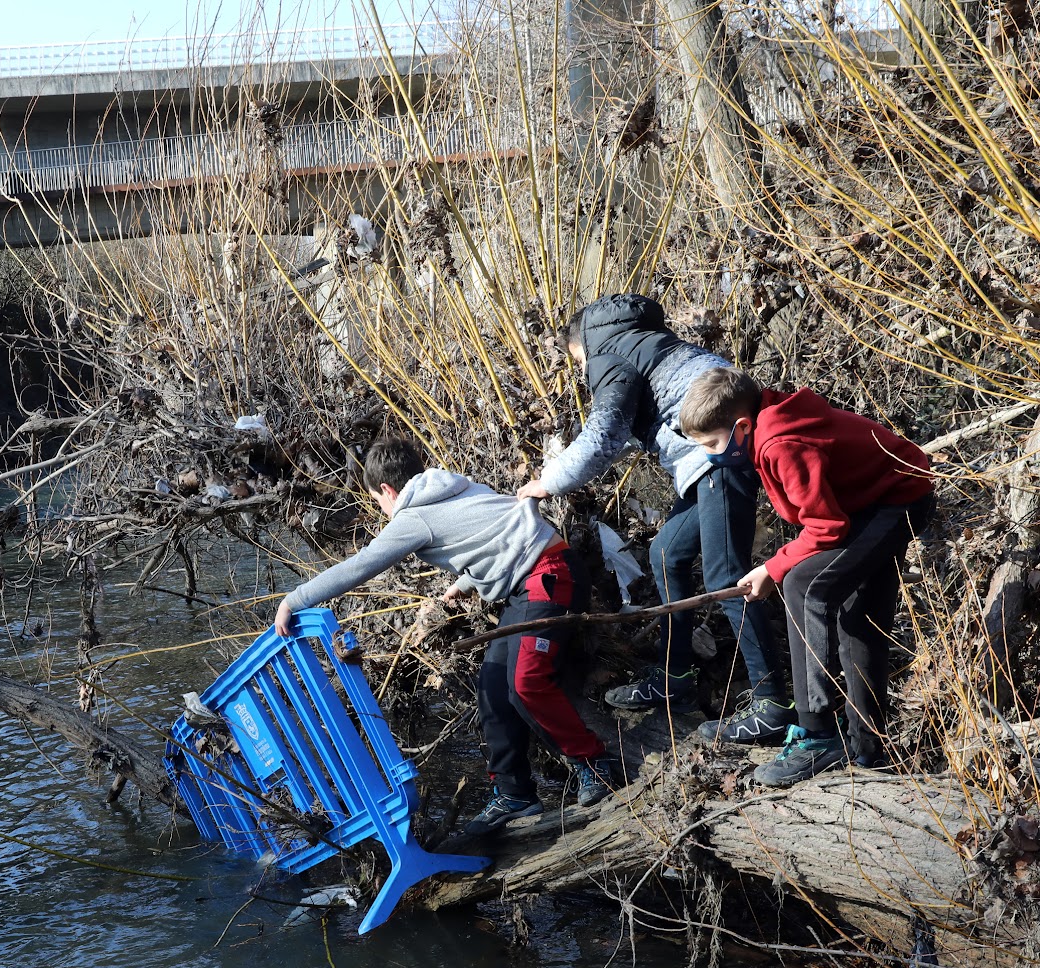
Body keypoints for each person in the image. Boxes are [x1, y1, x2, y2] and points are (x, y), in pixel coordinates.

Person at [272, 436, 622, 834]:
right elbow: (496, 530)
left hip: (549, 576)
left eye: (378, 502)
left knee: (527, 681)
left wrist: (295, 600)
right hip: (533, 580)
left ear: (388, 490)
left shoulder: (411, 516)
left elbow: (363, 564)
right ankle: (515, 794)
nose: (383, 511)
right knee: (492, 686)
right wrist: (468, 580)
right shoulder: (454, 484)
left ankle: (596, 765)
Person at [517, 294, 793, 740]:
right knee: (666, 553)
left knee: (728, 577)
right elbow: (632, 428)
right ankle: (675, 679)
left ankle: (773, 704)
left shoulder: (608, 354)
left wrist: (547, 482)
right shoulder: (642, 342)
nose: (580, 370)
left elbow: (604, 433)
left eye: (576, 361)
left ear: (579, 343)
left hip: (719, 455)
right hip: (709, 458)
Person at [679, 367, 934, 786]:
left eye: (711, 444)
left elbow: (826, 526)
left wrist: (770, 568)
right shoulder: (765, 425)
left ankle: (816, 733)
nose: (710, 455)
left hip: (897, 501)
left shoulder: (781, 443)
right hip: (869, 504)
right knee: (858, 621)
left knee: (802, 585)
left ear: (742, 426)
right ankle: (868, 750)